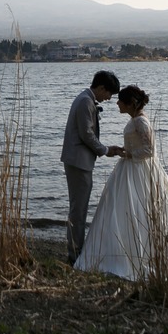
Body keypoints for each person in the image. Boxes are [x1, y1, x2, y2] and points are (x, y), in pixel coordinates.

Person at [74, 85, 168, 280]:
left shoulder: (141, 121)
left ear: (130, 103)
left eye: (120, 101)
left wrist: (129, 154)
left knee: (138, 207)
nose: (117, 103)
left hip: (138, 169)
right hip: (129, 168)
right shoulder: (135, 120)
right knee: (122, 207)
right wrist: (124, 152)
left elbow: (149, 150)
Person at [61, 69, 122, 265]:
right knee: (78, 209)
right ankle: (75, 254)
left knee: (79, 207)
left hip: (79, 161)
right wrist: (105, 150)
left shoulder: (85, 99)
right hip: (79, 162)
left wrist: (105, 149)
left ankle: (75, 250)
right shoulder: (85, 102)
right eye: (109, 94)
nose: (109, 98)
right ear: (102, 88)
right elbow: (86, 134)